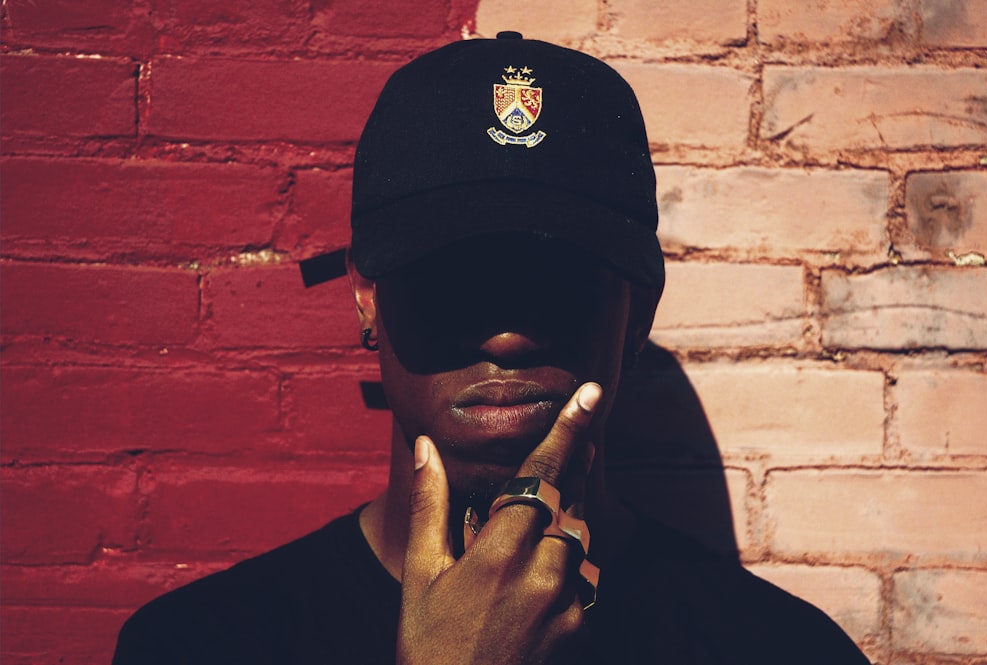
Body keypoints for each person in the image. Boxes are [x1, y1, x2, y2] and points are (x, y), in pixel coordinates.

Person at [113, 33, 871, 664]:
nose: (507, 334)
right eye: (456, 274)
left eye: (557, 274)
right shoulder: (196, 645)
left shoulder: (785, 651)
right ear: (366, 296)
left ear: (637, 311)